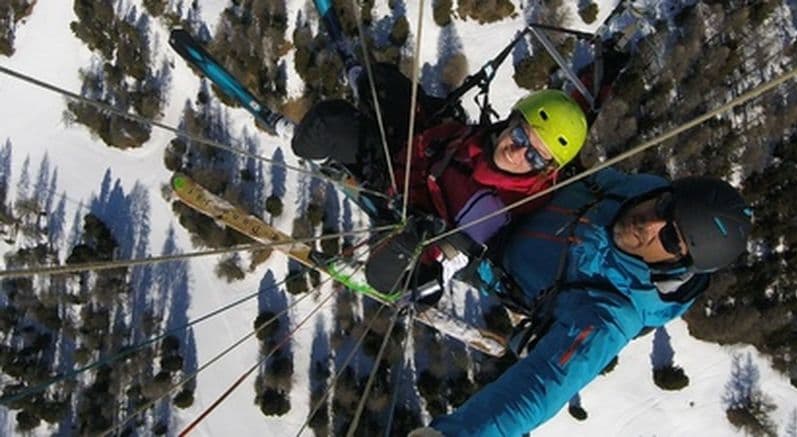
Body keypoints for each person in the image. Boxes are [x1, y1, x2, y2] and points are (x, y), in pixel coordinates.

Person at [413, 168, 753, 436]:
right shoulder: (640, 190)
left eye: (670, 238)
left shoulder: (612, 313)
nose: (650, 222)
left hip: (481, 250)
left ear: (678, 264)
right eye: (666, 207)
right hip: (506, 191)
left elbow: (544, 384)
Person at [291, 65, 589, 292]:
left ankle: (326, 159)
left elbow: (436, 274)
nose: (517, 151)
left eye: (534, 157)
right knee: (378, 78)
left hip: (398, 198)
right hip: (417, 150)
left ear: (545, 170)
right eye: (521, 135)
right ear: (510, 121)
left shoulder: (490, 211)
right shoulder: (479, 142)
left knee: (323, 126)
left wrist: (404, 253)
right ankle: (362, 82)